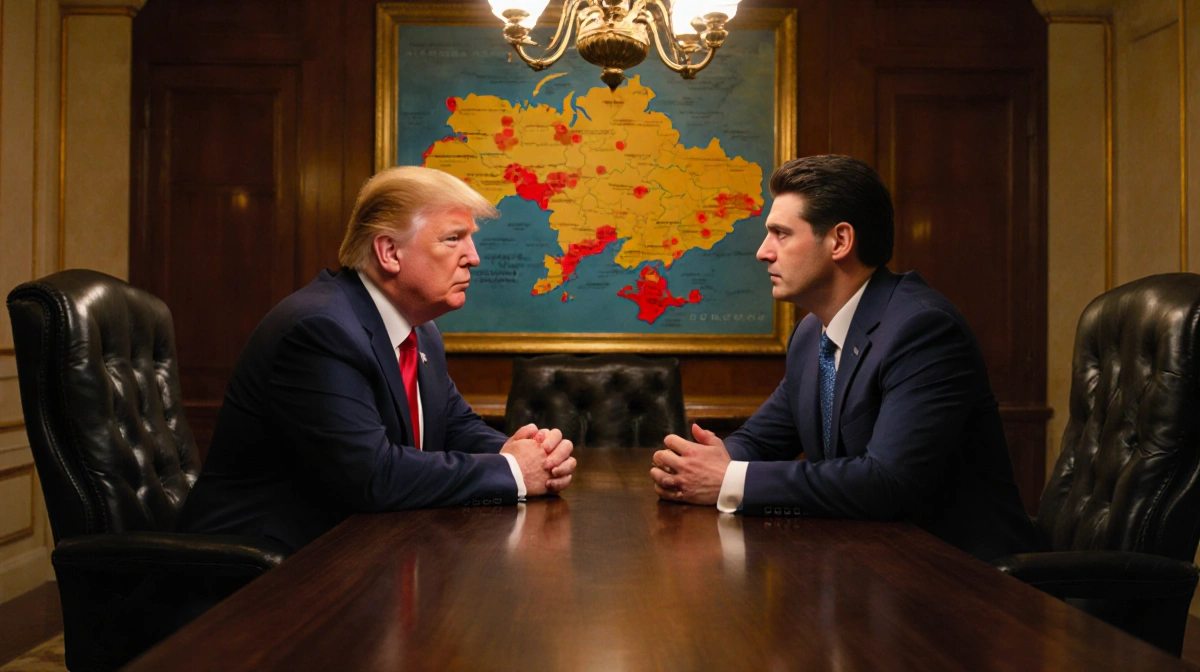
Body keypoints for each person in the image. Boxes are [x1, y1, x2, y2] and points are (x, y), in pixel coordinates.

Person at [648, 155, 1041, 561]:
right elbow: (762, 438)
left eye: (780, 234)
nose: (763, 252)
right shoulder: (810, 334)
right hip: (875, 566)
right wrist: (699, 466)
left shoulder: (922, 329)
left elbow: (886, 481)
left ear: (840, 241)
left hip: (969, 582)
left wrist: (729, 479)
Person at [179, 166, 577, 551]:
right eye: (453, 238)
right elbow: (372, 475)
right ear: (389, 252)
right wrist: (513, 472)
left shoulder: (420, 333)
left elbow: (454, 426)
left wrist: (531, 451)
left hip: (356, 556)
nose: (473, 257)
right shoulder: (320, 329)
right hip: (259, 579)